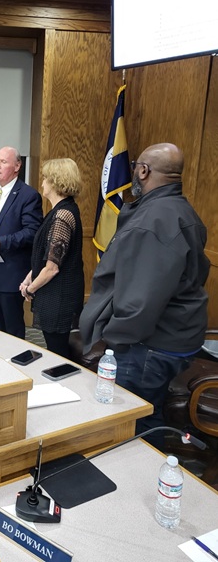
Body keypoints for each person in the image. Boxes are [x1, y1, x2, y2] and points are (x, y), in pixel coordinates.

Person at [79, 143, 210, 446]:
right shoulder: (181, 210)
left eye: (135, 166)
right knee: (149, 412)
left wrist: (109, 340)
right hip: (177, 334)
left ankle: (142, 469)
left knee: (133, 422)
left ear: (143, 171)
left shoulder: (153, 222)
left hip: (150, 345)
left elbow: (140, 302)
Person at [20, 158, 84, 357]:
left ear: (56, 181)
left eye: (45, 178)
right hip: (54, 295)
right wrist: (29, 277)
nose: (42, 183)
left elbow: (52, 267)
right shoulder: (59, 211)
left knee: (58, 354)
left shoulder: (63, 215)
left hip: (59, 297)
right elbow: (45, 255)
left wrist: (30, 289)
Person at [0, 147, 43, 339]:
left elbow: (32, 232)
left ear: (17, 166)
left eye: (3, 162)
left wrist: (2, 242)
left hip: (10, 271)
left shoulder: (28, 195)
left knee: (12, 330)